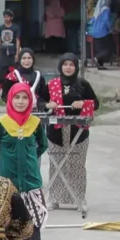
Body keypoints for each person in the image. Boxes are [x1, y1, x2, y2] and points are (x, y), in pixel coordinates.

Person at [0, 83, 49, 240]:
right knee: (11, 220)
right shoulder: (1, 123)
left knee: (34, 219)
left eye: (25, 98)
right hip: (7, 180)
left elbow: (42, 145)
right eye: (17, 97)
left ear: (30, 101)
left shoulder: (36, 123)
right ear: (10, 99)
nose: (21, 101)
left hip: (31, 181)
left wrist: (29, 159)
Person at [44, 54, 99, 211]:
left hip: (78, 132)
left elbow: (95, 104)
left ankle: (79, 199)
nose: (68, 67)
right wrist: (48, 104)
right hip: (56, 132)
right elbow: (41, 102)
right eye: (65, 64)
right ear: (60, 66)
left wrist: (83, 103)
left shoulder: (83, 84)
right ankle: (54, 199)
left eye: (71, 64)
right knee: (56, 165)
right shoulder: (51, 84)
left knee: (77, 165)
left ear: (76, 67)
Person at [0, 10, 21, 99]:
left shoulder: (15, 28)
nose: (6, 18)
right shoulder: (1, 28)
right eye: (5, 17)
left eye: (8, 17)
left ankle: (12, 93)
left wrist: (17, 54)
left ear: (11, 18)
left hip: (12, 54)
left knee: (14, 75)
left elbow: (18, 41)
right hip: (2, 55)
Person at [89, 0, 114, 69]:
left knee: (99, 50)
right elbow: (106, 20)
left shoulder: (97, 9)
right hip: (102, 31)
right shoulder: (106, 9)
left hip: (95, 32)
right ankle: (96, 58)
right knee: (108, 49)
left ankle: (100, 65)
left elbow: (92, 21)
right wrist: (110, 28)